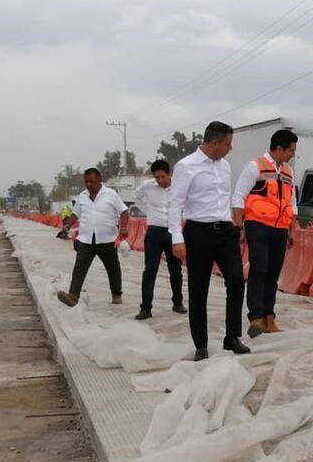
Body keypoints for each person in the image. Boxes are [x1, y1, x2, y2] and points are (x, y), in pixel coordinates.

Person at [168, 121, 250, 359]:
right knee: (198, 289)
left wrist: (237, 225)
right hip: (198, 233)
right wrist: (176, 238)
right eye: (227, 144)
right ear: (214, 143)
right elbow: (175, 204)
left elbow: (228, 198)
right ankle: (201, 345)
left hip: (225, 232)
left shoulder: (225, 166)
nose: (230, 148)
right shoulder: (186, 167)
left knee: (236, 282)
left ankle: (232, 337)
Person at [232, 129, 299, 337]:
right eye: (291, 150)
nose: (293, 154)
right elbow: (238, 196)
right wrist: (239, 227)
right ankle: (256, 318)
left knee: (273, 272)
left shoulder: (288, 171)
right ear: (278, 148)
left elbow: (292, 202)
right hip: (257, 224)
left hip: (279, 228)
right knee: (259, 269)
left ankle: (270, 318)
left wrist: (292, 229)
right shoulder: (255, 166)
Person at [56, 168, 129, 307]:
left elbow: (124, 211)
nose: (89, 185)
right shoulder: (82, 196)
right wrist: (66, 227)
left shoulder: (111, 194)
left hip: (107, 239)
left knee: (113, 268)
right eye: (86, 182)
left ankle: (116, 294)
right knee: (79, 267)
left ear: (99, 180)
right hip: (86, 239)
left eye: (92, 181)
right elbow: (75, 215)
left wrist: (124, 227)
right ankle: (73, 295)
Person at [133, 160, 185, 320]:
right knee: (150, 270)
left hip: (173, 232)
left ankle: (178, 303)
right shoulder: (148, 186)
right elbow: (137, 197)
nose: (160, 180)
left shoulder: (179, 185)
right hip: (154, 233)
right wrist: (149, 210)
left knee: (175, 269)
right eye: (157, 177)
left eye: (163, 176)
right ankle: (146, 308)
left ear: (169, 174)